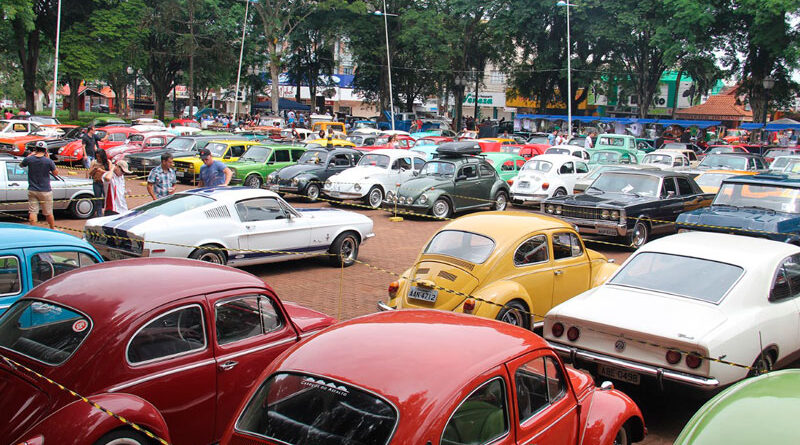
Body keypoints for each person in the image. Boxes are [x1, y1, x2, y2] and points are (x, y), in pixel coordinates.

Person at [21, 143, 58, 229]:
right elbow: (55, 173)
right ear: (45, 150)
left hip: (32, 189)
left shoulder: (30, 159)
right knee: (48, 212)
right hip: (45, 190)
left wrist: (30, 155)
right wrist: (49, 160)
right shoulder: (48, 161)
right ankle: (52, 228)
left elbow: (21, 164)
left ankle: (33, 229)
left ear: (35, 149)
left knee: (33, 211)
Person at [88, 149, 111, 217]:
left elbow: (110, 173)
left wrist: (102, 171)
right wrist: (94, 170)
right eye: (97, 156)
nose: (98, 159)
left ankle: (108, 213)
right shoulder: (94, 162)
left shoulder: (108, 162)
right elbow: (90, 173)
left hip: (105, 183)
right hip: (96, 182)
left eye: (100, 157)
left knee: (107, 199)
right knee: (98, 199)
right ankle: (99, 214)